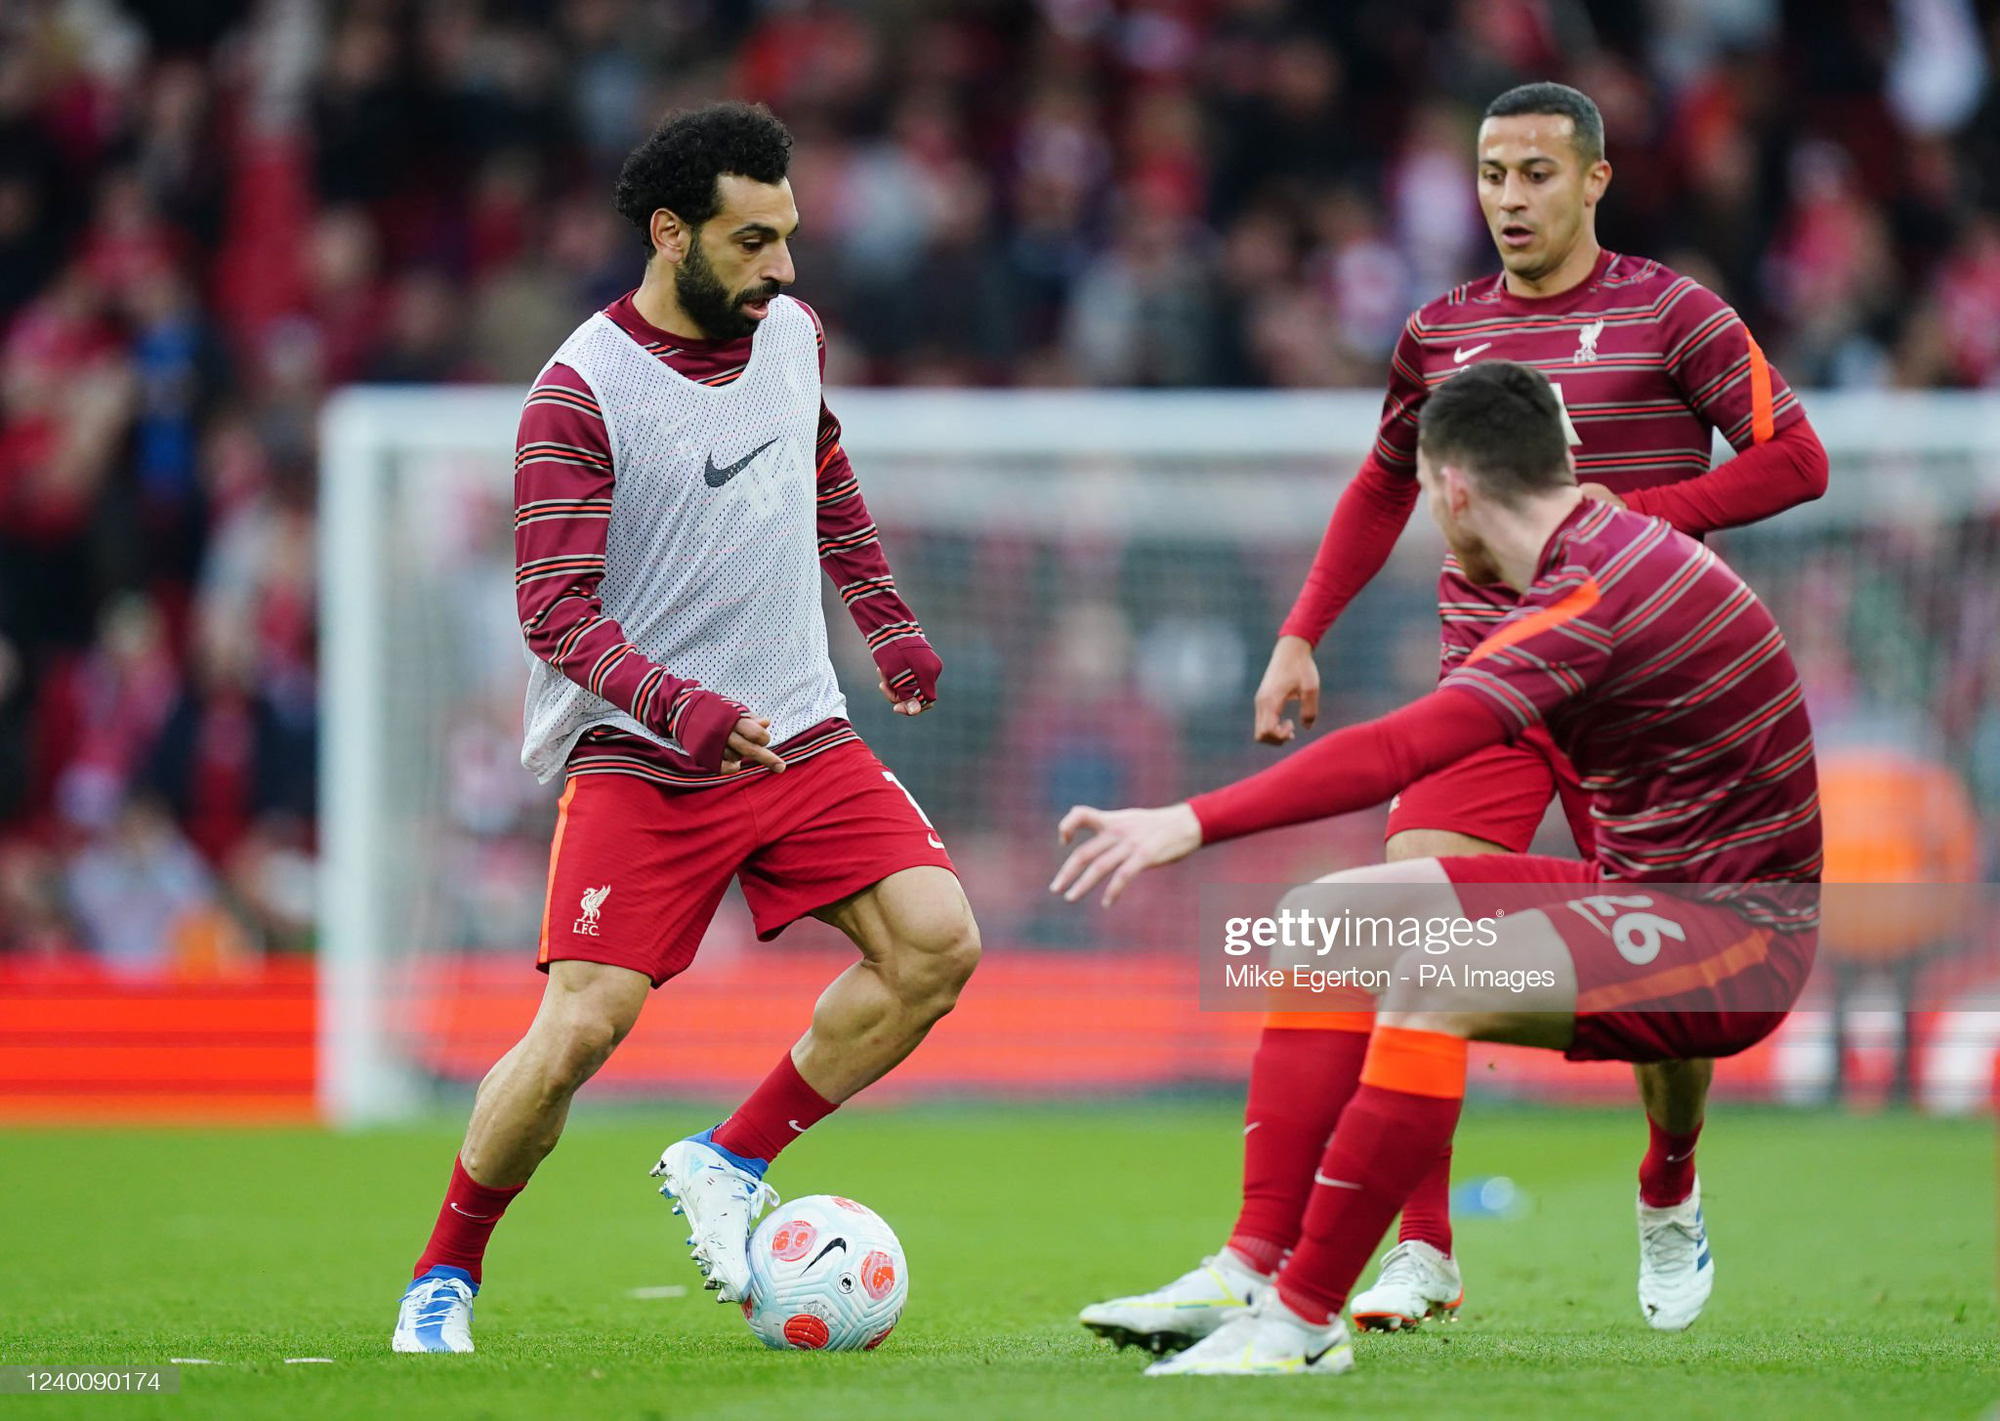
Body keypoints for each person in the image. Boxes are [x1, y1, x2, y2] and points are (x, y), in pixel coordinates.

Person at [1082, 80, 1829, 1348]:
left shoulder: (1670, 311)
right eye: (1490, 174)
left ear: (1593, 181)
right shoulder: (1441, 333)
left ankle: (1667, 1168)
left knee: (1647, 932)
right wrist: (1300, 630)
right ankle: (1399, 1248)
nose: (1509, 198)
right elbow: (1380, 484)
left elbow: (1795, 457)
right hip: (1492, 687)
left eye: (1536, 173)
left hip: (1633, 691)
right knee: (1388, 917)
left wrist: (1631, 529)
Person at [392, 102, 981, 1354]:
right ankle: (444, 1271)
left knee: (935, 944)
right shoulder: (577, 393)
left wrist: (883, 619)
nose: (781, 267)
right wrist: (684, 710)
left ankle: (729, 1158)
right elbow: (550, 611)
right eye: (753, 240)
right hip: (643, 754)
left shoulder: (792, 333)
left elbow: (820, 469)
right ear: (671, 233)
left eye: (790, 236)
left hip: (800, 731)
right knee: (577, 1033)